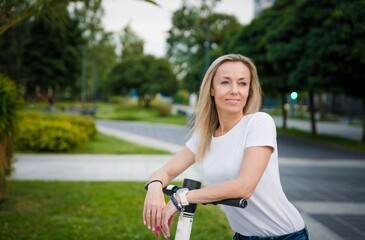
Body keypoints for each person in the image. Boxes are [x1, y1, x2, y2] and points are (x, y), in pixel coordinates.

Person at [143, 54, 309, 239]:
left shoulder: (259, 123)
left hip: (284, 235)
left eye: (242, 83)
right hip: (242, 236)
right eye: (225, 82)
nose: (234, 90)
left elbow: (243, 187)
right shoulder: (205, 136)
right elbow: (164, 172)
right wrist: (155, 187)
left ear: (249, 90)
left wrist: (182, 199)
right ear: (212, 89)